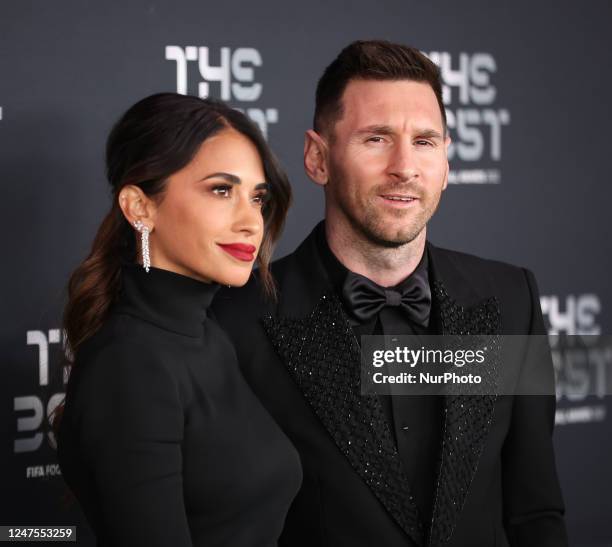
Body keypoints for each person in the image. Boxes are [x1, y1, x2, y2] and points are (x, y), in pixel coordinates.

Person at [212, 40, 568, 546]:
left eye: (424, 141)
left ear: (445, 161)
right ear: (318, 158)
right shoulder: (236, 320)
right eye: (376, 139)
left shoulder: (511, 300)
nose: (405, 166)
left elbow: (535, 511)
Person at [57, 93, 301, 547]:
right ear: (139, 207)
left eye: (258, 198)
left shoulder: (210, 335)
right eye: (222, 190)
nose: (252, 222)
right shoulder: (130, 364)